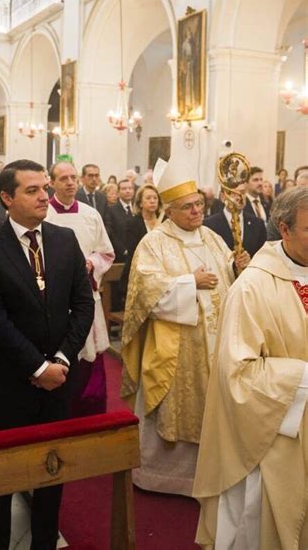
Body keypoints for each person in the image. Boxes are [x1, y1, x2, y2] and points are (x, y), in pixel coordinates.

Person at [0, 159, 94, 550]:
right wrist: (37, 366)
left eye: (44, 188)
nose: (45, 196)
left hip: (56, 380)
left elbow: (83, 304)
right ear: (6, 198)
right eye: (33, 190)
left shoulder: (62, 239)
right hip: (6, 384)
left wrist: (60, 360)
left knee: (50, 471)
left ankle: (45, 543)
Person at [121, 158, 248, 496]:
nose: (196, 212)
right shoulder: (154, 243)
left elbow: (227, 282)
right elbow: (144, 292)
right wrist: (188, 282)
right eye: (187, 207)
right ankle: (166, 478)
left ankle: (213, 473)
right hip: (177, 350)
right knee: (177, 410)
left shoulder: (212, 238)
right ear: (170, 211)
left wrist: (238, 269)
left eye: (199, 205)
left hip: (217, 341)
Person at [194, 186, 308, 548]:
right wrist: (302, 377)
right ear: (284, 229)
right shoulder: (252, 287)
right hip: (275, 437)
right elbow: (237, 375)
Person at [47, 161, 114, 416]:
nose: (70, 182)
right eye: (63, 178)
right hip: (54, 300)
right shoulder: (44, 214)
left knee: (89, 357)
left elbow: (106, 253)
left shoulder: (90, 214)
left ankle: (90, 414)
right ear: (52, 183)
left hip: (87, 296)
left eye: (73, 177)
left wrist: (90, 263)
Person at [121, 184, 163, 298]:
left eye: (155, 198)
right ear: (140, 203)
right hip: (139, 273)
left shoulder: (165, 222)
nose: (152, 201)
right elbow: (134, 251)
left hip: (162, 271)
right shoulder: (132, 223)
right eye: (148, 198)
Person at [204, 183, 266, 258]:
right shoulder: (209, 225)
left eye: (242, 193)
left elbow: (263, 256)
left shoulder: (257, 224)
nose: (239, 197)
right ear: (223, 197)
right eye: (233, 193)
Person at [107, 178, 135, 262]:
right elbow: (112, 234)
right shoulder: (111, 210)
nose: (127, 191)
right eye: (124, 189)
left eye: (130, 188)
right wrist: (123, 250)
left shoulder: (138, 209)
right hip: (120, 255)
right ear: (118, 192)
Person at [76, 163, 110, 229]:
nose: (94, 179)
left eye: (97, 176)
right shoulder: (75, 196)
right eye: (90, 176)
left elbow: (107, 221)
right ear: (82, 178)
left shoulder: (102, 197)